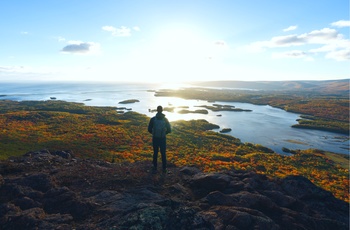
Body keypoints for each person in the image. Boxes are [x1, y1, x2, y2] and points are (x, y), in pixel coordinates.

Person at [148, 105, 171, 173]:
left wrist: (154, 133)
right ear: (162, 110)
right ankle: (164, 168)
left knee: (155, 152)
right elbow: (169, 130)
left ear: (157, 110)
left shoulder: (153, 119)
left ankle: (154, 167)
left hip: (155, 138)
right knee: (163, 153)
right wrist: (164, 133)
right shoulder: (165, 119)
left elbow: (149, 129)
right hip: (162, 139)